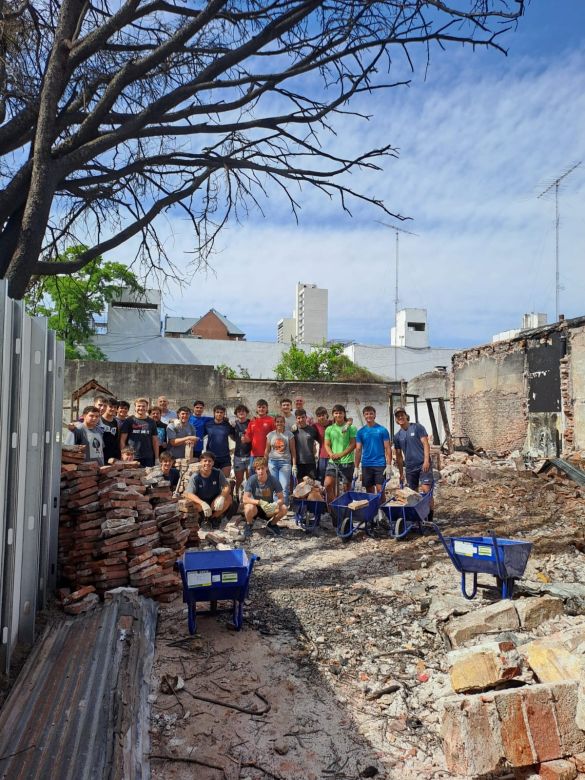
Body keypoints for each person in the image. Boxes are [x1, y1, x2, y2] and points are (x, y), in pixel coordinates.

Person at [184, 451, 232, 528]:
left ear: (213, 463)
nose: (207, 463)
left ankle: (213, 518)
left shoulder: (218, 472)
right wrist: (202, 503)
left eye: (210, 461)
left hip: (214, 501)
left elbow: (226, 486)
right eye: (205, 461)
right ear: (200, 462)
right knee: (191, 504)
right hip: (201, 503)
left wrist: (222, 497)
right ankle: (203, 519)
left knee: (228, 498)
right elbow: (188, 493)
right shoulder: (195, 476)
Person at [242, 457, 287, 539]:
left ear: (266, 468)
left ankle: (272, 524)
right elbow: (245, 499)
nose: (261, 471)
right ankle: (249, 524)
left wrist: (275, 504)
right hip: (256, 509)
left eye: (262, 468)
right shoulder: (252, 479)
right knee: (248, 507)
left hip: (268, 509)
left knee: (283, 508)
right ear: (255, 470)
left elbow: (281, 498)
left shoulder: (273, 480)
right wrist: (260, 502)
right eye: (258, 469)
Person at [393, 408, 433, 496]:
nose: (400, 417)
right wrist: (401, 474)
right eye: (398, 416)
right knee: (413, 494)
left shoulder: (417, 427)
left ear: (406, 416)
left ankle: (430, 510)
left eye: (402, 415)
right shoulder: (397, 436)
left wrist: (426, 461)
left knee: (426, 489)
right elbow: (399, 456)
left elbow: (426, 444)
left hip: (422, 464)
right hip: (410, 468)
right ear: (396, 419)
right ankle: (417, 509)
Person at [323, 404, 357, 506]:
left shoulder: (351, 427)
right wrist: (331, 454)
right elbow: (327, 444)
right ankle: (334, 508)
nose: (338, 415)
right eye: (336, 413)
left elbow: (353, 444)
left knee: (347, 488)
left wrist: (341, 454)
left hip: (347, 461)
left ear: (344, 414)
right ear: (333, 415)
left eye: (340, 413)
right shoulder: (329, 429)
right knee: (328, 484)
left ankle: (347, 510)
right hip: (333, 462)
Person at [354, 406, 392, 493]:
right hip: (366, 465)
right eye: (366, 414)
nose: (369, 416)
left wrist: (389, 465)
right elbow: (358, 450)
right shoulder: (361, 432)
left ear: (375, 415)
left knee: (380, 490)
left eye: (371, 413)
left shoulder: (382, 430)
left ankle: (381, 507)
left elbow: (388, 448)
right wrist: (356, 467)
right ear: (364, 416)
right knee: (369, 492)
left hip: (380, 464)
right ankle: (372, 507)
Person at [265, 415, 296, 506]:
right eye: (277, 422)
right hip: (272, 463)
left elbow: (293, 451)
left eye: (281, 421)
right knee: (275, 487)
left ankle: (284, 507)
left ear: (284, 423)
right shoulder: (270, 435)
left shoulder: (289, 435)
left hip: (285, 463)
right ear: (275, 423)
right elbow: (267, 450)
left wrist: (294, 465)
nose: (279, 423)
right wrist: (265, 464)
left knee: (284, 486)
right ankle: (276, 508)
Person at [119, 398, 159, 467]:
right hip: (132, 457)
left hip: (148, 457)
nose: (141, 408)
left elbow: (155, 441)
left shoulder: (152, 422)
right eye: (139, 406)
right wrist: (123, 455)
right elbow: (122, 440)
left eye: (143, 406)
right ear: (135, 407)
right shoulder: (129, 421)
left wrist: (157, 458)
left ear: (147, 408)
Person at [243, 399, 275, 470]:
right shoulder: (252, 421)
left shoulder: (271, 420)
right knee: (253, 475)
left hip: (267, 454)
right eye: (259, 407)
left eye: (263, 407)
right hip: (254, 454)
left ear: (267, 408)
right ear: (256, 409)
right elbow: (248, 438)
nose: (261, 409)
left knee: (267, 475)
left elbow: (275, 437)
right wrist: (244, 439)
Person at [204, 404, 234, 475]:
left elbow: (235, 436)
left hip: (225, 456)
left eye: (221, 412)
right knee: (211, 480)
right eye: (217, 412)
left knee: (225, 479)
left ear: (224, 414)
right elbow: (200, 435)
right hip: (211, 456)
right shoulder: (208, 424)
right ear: (214, 413)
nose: (219, 414)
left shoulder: (227, 425)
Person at [293, 408, 319, 481]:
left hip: (310, 462)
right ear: (296, 419)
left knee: (312, 486)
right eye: (298, 418)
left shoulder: (312, 430)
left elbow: (319, 442)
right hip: (298, 463)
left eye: (303, 417)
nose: (301, 420)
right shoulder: (293, 431)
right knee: (300, 486)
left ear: (306, 417)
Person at [232, 404, 251, 497]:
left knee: (250, 478)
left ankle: (248, 497)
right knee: (239, 479)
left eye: (243, 411)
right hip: (238, 456)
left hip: (250, 455)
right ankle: (236, 497)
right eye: (239, 411)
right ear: (236, 414)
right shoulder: (234, 424)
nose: (241, 412)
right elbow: (232, 436)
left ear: (246, 413)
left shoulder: (251, 423)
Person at [314, 406, 331, 482]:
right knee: (321, 478)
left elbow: (348, 420)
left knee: (333, 478)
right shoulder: (315, 426)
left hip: (334, 455)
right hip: (322, 455)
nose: (321, 417)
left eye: (323, 415)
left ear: (326, 415)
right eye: (319, 416)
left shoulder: (333, 423)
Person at [100, 397, 120, 462]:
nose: (113, 409)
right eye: (110, 407)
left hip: (112, 455)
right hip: (101, 454)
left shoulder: (115, 422)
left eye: (115, 407)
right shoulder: (99, 420)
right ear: (106, 407)